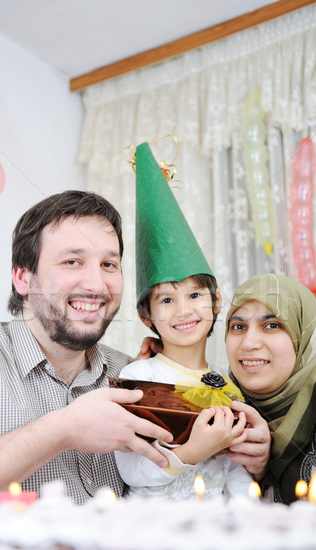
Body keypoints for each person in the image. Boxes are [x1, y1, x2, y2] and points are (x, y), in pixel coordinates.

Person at [0, 190, 174, 516]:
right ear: (23, 277)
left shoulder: (131, 372)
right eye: (72, 261)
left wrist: (241, 445)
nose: (97, 285)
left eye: (109, 264)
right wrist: (63, 429)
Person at [114, 141, 253, 500]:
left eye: (194, 295)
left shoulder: (227, 383)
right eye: (166, 300)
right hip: (159, 538)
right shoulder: (140, 380)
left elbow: (236, 473)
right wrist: (194, 450)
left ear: (216, 301)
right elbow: (131, 472)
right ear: (146, 316)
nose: (183, 311)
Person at [225, 272, 316, 504]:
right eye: (238, 326)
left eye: (272, 325)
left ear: (303, 333)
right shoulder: (223, 406)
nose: (249, 343)